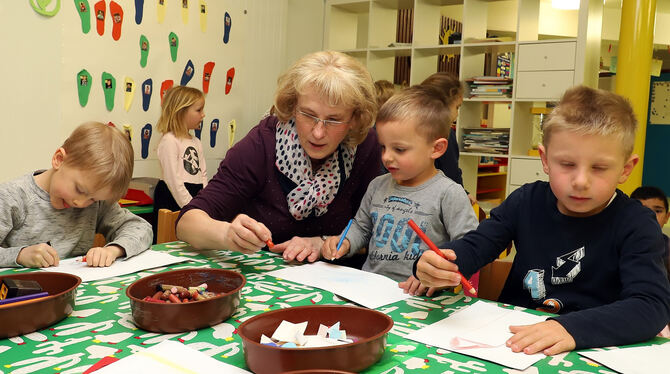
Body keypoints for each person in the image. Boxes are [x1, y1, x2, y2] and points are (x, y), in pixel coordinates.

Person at [415, 86, 670, 355]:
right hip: (509, 342)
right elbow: (477, 245)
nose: (581, 181)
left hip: (589, 348)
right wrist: (440, 263)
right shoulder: (526, 200)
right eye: (567, 164)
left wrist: (568, 328)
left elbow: (650, 306)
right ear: (545, 160)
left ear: (625, 169)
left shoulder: (637, 223)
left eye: (599, 167)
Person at [176, 51, 379, 265]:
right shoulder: (262, 143)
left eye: (334, 120)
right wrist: (227, 234)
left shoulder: (366, 146)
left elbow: (374, 235)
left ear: (355, 119)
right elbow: (186, 224)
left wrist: (323, 244)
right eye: (308, 115)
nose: (318, 132)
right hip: (264, 280)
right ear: (292, 106)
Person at [321, 85, 478, 296]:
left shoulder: (449, 193)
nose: (386, 157)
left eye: (399, 149)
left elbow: (469, 246)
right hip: (371, 290)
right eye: (383, 147)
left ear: (437, 149)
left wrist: (434, 275)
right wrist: (345, 242)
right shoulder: (377, 185)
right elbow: (361, 227)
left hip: (424, 299)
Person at [0, 122, 152, 268]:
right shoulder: (12, 197)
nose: (81, 203)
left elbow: (140, 228)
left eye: (93, 198)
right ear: (59, 159)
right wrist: (19, 255)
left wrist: (113, 250)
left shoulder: (96, 203)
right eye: (79, 189)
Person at [153, 86, 208, 241]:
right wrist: (190, 207)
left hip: (195, 194)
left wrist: (204, 200)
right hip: (172, 196)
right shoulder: (169, 141)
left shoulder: (196, 141)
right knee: (170, 239)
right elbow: (173, 179)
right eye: (198, 110)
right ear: (181, 111)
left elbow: (203, 174)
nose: (203, 115)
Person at [420, 72, 466, 188]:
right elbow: (452, 175)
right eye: (457, 107)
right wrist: (463, 193)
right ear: (443, 105)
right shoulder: (445, 133)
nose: (457, 114)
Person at [630, 186, 670, 280]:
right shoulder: (617, 242)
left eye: (657, 211)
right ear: (629, 214)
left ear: (667, 217)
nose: (650, 215)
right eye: (641, 210)